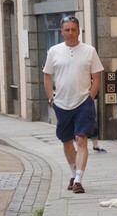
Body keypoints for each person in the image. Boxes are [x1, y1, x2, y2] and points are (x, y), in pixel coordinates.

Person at [43, 15, 104, 193]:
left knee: (81, 139)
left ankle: (78, 179)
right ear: (62, 32)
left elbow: (97, 77)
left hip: (83, 103)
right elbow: (47, 76)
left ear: (79, 31)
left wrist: (90, 98)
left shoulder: (89, 51)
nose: (70, 33)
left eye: (73, 29)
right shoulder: (54, 51)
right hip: (61, 104)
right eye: (67, 30)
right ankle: (72, 173)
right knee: (67, 142)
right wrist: (51, 99)